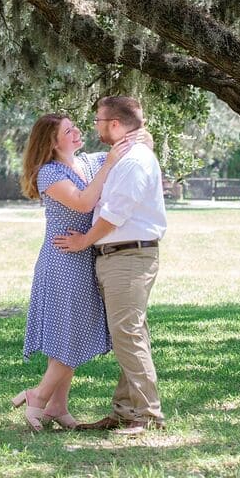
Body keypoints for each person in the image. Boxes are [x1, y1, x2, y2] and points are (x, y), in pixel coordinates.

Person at [54, 95, 167, 435]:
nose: (95, 127)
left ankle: (147, 415)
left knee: (128, 334)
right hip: (116, 257)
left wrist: (83, 241)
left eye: (99, 121)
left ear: (115, 125)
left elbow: (114, 215)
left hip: (129, 256)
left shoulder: (134, 162)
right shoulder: (122, 156)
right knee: (128, 334)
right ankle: (125, 410)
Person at [14, 113, 134, 431]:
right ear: (53, 142)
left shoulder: (87, 163)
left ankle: (57, 407)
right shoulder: (49, 173)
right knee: (71, 334)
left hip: (84, 257)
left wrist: (136, 133)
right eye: (69, 130)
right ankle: (38, 397)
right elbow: (82, 202)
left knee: (72, 333)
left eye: (75, 126)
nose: (77, 131)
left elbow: (126, 146)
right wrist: (108, 164)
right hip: (63, 260)